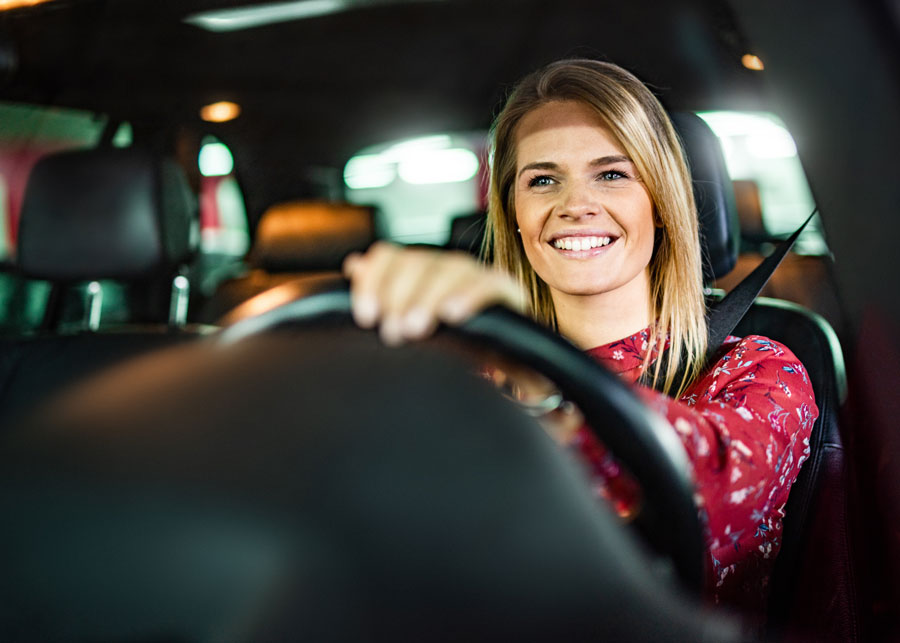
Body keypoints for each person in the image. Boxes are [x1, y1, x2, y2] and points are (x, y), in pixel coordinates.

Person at [343, 59, 817, 618]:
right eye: (542, 180)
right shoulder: (461, 379)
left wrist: (539, 379)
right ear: (513, 214)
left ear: (661, 203)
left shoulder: (759, 371)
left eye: (612, 174)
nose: (573, 205)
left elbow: (712, 509)